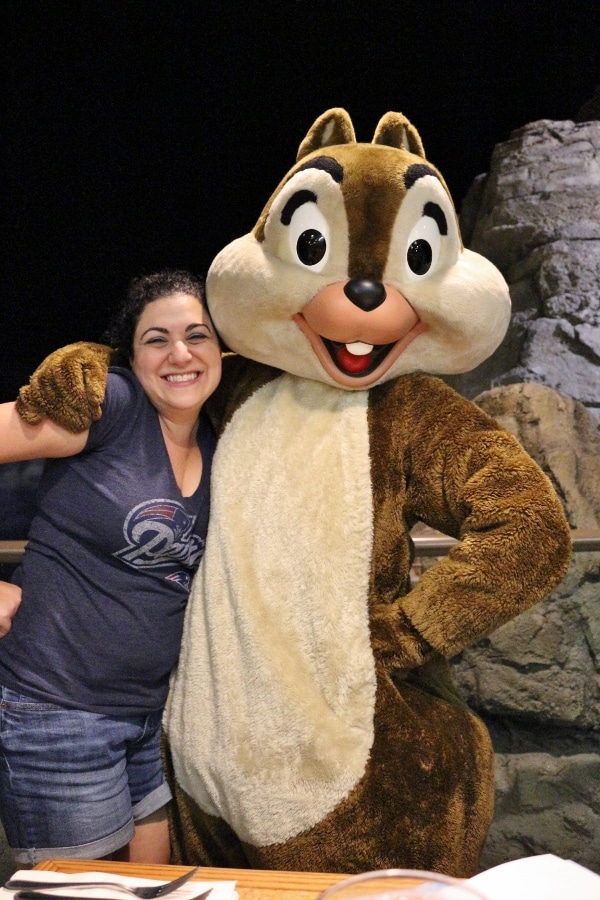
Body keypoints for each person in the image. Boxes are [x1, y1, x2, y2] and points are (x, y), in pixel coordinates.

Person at [0, 269, 222, 865]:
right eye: (157, 339)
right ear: (132, 355)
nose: (180, 353)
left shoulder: (216, 436)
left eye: (197, 335)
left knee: (151, 884)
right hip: (56, 712)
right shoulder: (114, 406)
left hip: (144, 719)